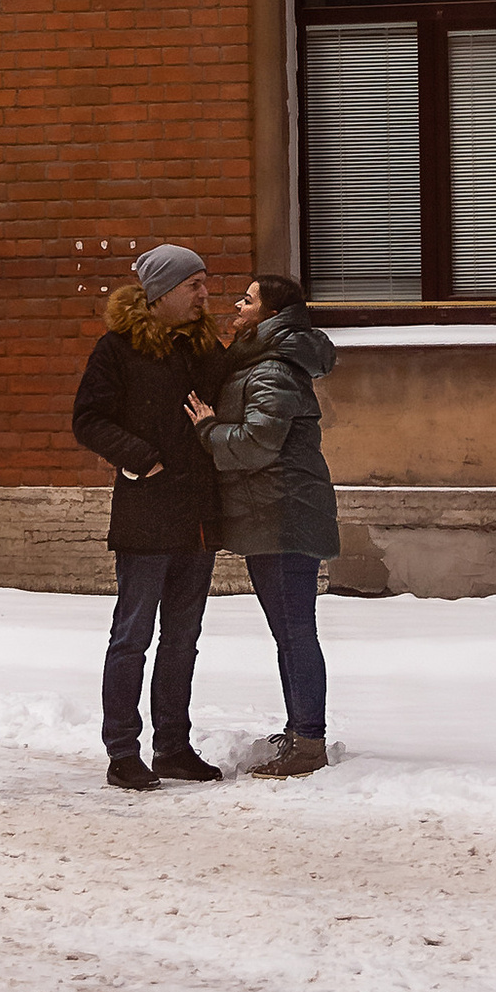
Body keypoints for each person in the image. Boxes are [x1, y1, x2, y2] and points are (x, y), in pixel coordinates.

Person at [70, 243, 230, 791]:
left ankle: (174, 748)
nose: (205, 295)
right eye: (194, 286)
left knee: (183, 637)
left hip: (198, 518)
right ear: (160, 292)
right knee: (132, 636)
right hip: (146, 513)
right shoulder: (117, 350)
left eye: (205, 284)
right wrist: (144, 459)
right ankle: (122, 751)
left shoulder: (206, 346)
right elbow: (88, 419)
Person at [187, 275, 340, 777]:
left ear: (272, 314)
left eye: (248, 300)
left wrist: (209, 429)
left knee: (295, 630)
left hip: (282, 515)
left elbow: (257, 442)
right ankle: (301, 729)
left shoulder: (272, 369)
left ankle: (309, 741)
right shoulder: (263, 361)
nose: (237, 304)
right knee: (289, 630)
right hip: (274, 511)